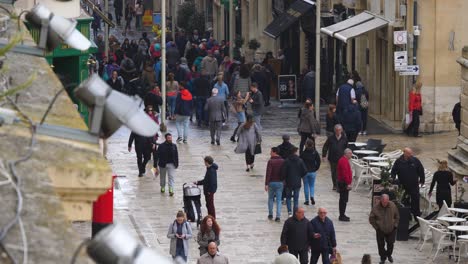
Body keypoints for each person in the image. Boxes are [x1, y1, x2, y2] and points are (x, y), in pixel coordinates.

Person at [391, 147, 425, 219]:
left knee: (415, 200)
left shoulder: (415, 160)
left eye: (411, 153)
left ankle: (416, 215)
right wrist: (392, 177)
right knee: (404, 200)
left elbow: (421, 170)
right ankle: (407, 215)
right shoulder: (399, 161)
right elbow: (394, 170)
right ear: (405, 153)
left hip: (414, 185)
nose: (411, 155)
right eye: (409, 153)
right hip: (403, 185)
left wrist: (422, 180)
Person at [369, 194, 399, 264]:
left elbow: (397, 216)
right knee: (380, 244)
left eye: (387, 202)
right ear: (381, 200)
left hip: (391, 228)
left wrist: (395, 225)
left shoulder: (392, 205)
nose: (385, 203)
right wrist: (376, 227)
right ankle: (383, 257)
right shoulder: (376, 207)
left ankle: (389, 255)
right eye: (384, 202)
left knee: (390, 243)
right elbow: (371, 218)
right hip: (380, 229)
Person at [282, 147, 307, 216]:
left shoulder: (286, 161)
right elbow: (305, 171)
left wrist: (284, 179)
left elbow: (283, 172)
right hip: (297, 182)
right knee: (296, 198)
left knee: (288, 197)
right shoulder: (300, 161)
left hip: (288, 182)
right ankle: (295, 212)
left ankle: (289, 211)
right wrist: (300, 176)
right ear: (295, 152)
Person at [322, 124, 348, 190]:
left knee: (340, 172)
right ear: (334, 131)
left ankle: (339, 185)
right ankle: (335, 185)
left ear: (341, 130)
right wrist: (324, 155)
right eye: (336, 130)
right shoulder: (331, 138)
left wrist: (347, 157)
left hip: (341, 158)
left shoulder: (344, 138)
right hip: (332, 158)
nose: (338, 131)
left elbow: (346, 148)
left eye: (339, 130)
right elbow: (325, 146)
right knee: (334, 172)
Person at [265, 147, 285, 222]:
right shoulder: (283, 161)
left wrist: (266, 184)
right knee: (279, 200)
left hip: (271, 182)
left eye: (271, 151)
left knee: (270, 198)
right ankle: (278, 216)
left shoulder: (270, 161)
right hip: (280, 183)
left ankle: (270, 214)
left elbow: (268, 173)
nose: (270, 153)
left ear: (275, 152)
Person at [300, 139, 321, 206]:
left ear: (306, 145)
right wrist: (316, 168)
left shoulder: (303, 153)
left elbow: (300, 162)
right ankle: (312, 196)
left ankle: (306, 200)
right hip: (312, 171)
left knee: (306, 185)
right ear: (312, 145)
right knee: (312, 186)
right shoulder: (315, 152)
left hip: (305, 172)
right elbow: (318, 161)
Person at [337, 148, 353, 222]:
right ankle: (342, 215)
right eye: (350, 153)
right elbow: (345, 173)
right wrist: (348, 183)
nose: (351, 155)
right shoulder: (343, 161)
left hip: (344, 182)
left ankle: (342, 214)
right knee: (343, 199)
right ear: (346, 153)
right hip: (343, 183)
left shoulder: (345, 160)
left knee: (344, 199)